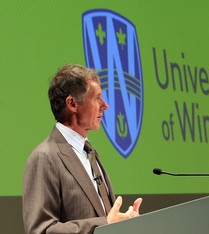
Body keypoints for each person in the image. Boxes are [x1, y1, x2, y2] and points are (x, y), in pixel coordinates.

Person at [22, 64, 142, 234]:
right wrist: (104, 223)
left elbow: (106, 219)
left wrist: (124, 223)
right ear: (72, 104)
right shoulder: (44, 157)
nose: (105, 105)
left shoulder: (90, 152)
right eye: (97, 98)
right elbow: (40, 230)